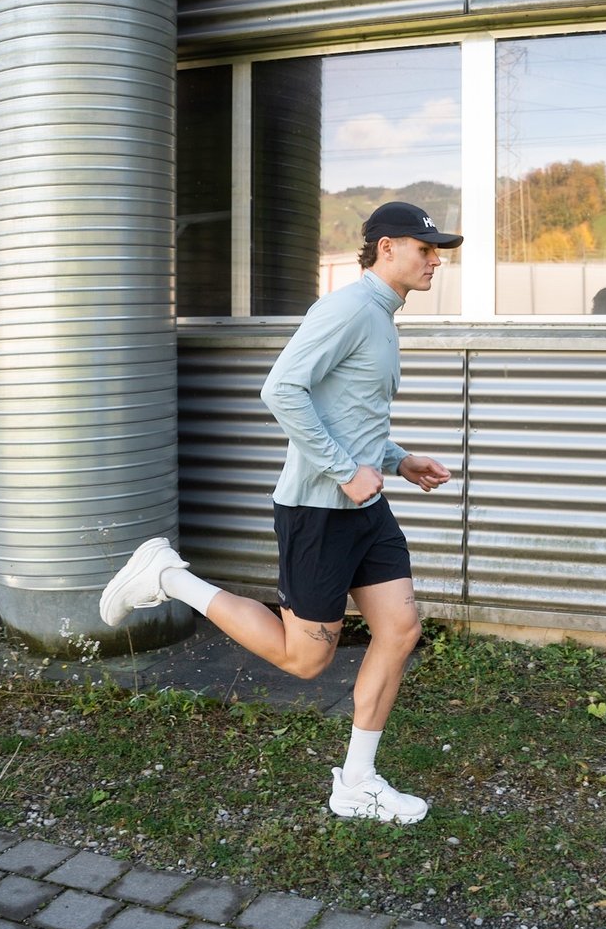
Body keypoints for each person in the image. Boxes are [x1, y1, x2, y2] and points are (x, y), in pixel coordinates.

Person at [99, 200, 463, 824]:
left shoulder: (381, 314)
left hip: (364, 509)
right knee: (306, 658)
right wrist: (346, 470)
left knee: (400, 630)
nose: (436, 260)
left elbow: (349, 410)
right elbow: (282, 389)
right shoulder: (348, 309)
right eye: (425, 248)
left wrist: (398, 459)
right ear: (386, 249)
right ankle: (167, 576)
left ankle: (356, 782)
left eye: (438, 251)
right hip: (319, 511)